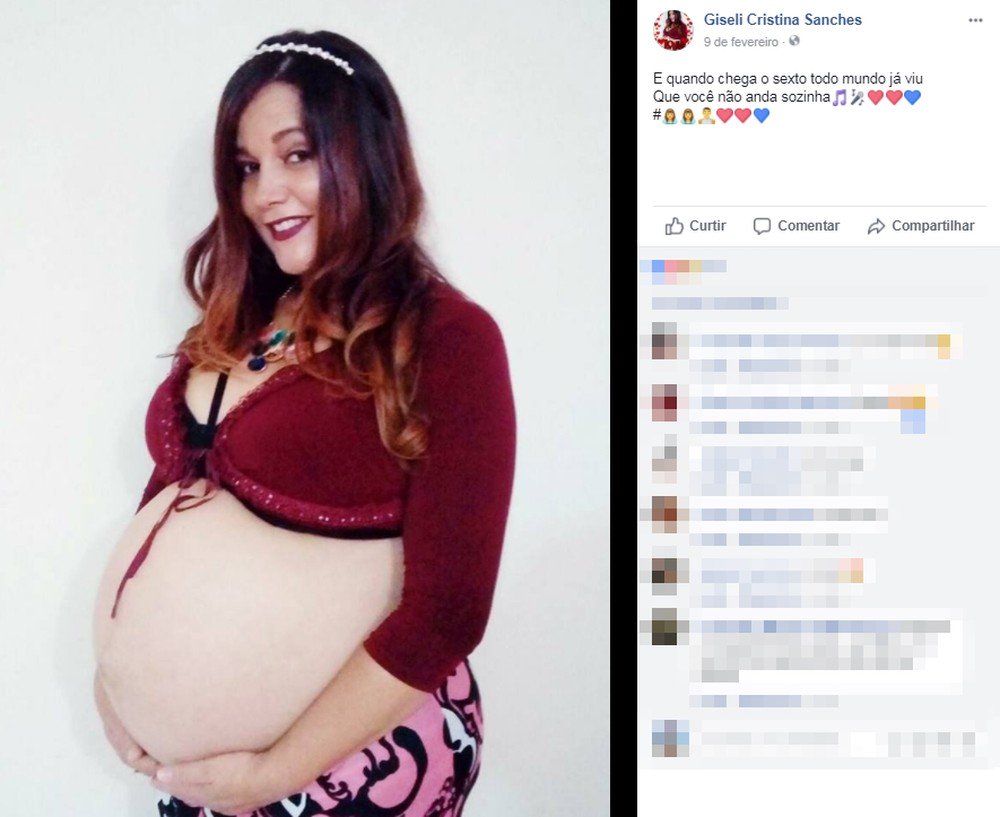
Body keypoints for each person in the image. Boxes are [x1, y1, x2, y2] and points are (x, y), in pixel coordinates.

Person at [92, 29, 516, 817]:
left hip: (354, 769)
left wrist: (269, 775)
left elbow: (450, 610)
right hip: (207, 779)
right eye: (248, 167)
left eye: (297, 155)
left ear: (366, 156)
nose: (264, 193)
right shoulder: (240, 319)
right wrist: (119, 682)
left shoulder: (447, 338)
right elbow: (171, 503)